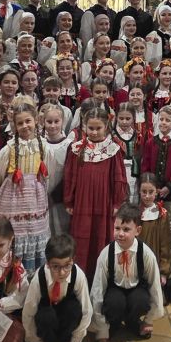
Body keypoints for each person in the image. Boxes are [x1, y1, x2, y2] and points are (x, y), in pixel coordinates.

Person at [64, 107, 128, 281]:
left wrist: (117, 203)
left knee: (101, 239)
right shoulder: (76, 149)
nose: (94, 132)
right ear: (84, 126)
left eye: (98, 128)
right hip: (82, 202)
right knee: (82, 239)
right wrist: (69, 201)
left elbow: (119, 178)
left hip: (104, 201)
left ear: (106, 126)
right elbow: (70, 176)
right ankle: (79, 279)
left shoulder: (113, 150)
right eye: (90, 128)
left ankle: (101, 279)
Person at [91, 204, 164, 342]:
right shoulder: (106, 254)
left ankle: (133, 321)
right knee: (115, 303)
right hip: (115, 291)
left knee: (141, 301)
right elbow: (98, 290)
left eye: (126, 229)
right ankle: (113, 323)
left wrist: (149, 320)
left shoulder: (146, 254)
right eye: (117, 228)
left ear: (138, 230)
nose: (120, 233)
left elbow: (155, 287)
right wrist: (101, 327)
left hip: (136, 290)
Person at [0, 102, 51, 272]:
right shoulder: (9, 148)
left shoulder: (43, 145)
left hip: (35, 199)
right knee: (15, 232)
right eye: (20, 123)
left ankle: (31, 273)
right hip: (13, 198)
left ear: (36, 121)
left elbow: (48, 173)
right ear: (15, 125)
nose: (25, 126)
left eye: (28, 121)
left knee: (33, 231)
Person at [22, 234, 92, 342]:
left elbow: (87, 310)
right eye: (56, 267)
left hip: (66, 318)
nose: (62, 272)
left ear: (73, 260)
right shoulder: (39, 278)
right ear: (48, 264)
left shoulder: (78, 275)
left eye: (67, 265)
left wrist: (76, 340)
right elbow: (28, 313)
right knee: (45, 315)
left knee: (74, 309)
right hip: (47, 319)